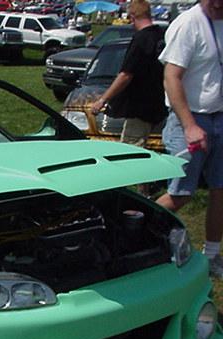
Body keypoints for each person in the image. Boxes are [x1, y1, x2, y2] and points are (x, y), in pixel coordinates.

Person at [156, 0, 223, 277]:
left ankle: (212, 256)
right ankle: (133, 229)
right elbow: (171, 77)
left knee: (220, 190)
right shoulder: (188, 23)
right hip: (190, 119)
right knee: (180, 195)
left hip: (219, 117)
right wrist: (189, 125)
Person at [91, 0, 166, 153]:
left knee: (131, 148)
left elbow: (125, 75)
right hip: (160, 103)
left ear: (132, 16)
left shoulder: (140, 39)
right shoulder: (161, 36)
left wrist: (102, 100)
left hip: (139, 107)